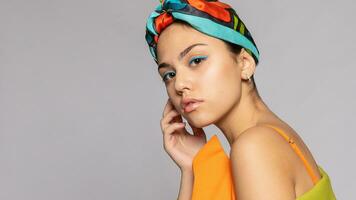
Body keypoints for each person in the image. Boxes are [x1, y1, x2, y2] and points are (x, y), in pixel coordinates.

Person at [145, 0, 337, 199]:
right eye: (169, 74)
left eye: (196, 60)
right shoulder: (272, 138)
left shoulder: (255, 147)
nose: (179, 84)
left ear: (245, 63)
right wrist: (191, 168)